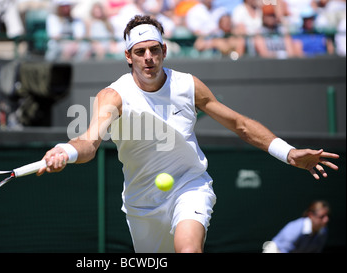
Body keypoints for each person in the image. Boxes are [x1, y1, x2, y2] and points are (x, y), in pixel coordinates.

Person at [36, 15, 339, 253]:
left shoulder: (187, 85)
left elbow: (240, 125)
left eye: (154, 50)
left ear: (164, 50)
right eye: (140, 52)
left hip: (189, 185)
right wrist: (67, 150)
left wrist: (288, 153)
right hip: (142, 203)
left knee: (189, 249)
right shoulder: (114, 96)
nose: (148, 58)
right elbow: (89, 142)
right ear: (129, 56)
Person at [263, 200, 330, 253]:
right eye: (322, 217)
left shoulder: (323, 231)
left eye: (327, 216)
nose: (326, 219)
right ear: (311, 215)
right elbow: (283, 250)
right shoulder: (296, 228)